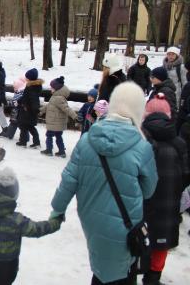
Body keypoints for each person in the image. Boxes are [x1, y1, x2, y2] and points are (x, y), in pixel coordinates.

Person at [51, 82, 158, 285]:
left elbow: (69, 179)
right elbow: (149, 190)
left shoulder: (87, 139)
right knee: (120, 271)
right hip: (125, 223)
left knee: (103, 268)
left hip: (91, 218)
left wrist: (57, 210)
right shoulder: (142, 147)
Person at [141, 95, 190, 285]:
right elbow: (186, 174)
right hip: (169, 202)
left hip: (144, 201)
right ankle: (153, 278)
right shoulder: (179, 143)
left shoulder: (140, 139)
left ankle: (134, 272)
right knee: (161, 243)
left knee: (140, 239)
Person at [40, 76, 78, 158]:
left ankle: (49, 150)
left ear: (57, 89)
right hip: (58, 123)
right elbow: (48, 106)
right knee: (58, 136)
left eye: (52, 88)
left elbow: (66, 109)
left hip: (54, 122)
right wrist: (41, 110)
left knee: (49, 135)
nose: (51, 89)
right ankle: (61, 152)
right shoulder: (56, 97)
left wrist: (75, 116)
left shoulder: (58, 98)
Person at [16, 68, 43, 148]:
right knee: (28, 126)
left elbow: (33, 99)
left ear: (30, 78)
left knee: (25, 126)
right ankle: (34, 142)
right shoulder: (31, 86)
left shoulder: (32, 87)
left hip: (28, 111)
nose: (25, 78)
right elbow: (25, 97)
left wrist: (35, 110)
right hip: (27, 109)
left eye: (27, 77)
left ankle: (23, 142)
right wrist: (20, 100)